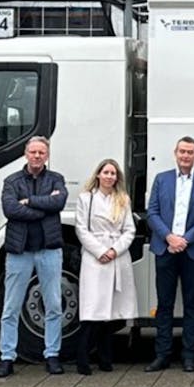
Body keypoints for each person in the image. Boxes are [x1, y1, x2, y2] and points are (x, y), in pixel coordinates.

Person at [0, 135, 69, 378]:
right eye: (33, 152)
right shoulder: (11, 181)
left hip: (49, 250)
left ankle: (52, 355)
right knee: (11, 307)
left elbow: (59, 202)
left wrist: (30, 202)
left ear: (46, 155)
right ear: (25, 154)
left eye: (41, 153)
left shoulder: (56, 179)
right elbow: (10, 209)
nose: (37, 156)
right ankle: (7, 357)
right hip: (20, 251)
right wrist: (41, 210)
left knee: (54, 305)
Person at [145, 136, 194, 373]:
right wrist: (169, 237)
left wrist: (185, 239)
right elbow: (152, 212)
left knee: (191, 304)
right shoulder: (161, 179)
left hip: (191, 250)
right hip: (165, 248)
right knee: (164, 304)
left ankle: (189, 355)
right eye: (182, 151)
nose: (186, 156)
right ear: (175, 153)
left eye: (190, 152)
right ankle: (162, 355)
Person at [73, 158, 136, 374]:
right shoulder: (86, 198)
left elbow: (129, 230)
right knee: (92, 310)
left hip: (117, 257)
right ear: (98, 175)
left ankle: (105, 358)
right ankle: (82, 359)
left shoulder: (123, 200)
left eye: (113, 173)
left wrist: (114, 250)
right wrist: (100, 251)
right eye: (106, 172)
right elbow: (81, 229)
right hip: (95, 258)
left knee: (110, 313)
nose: (109, 176)